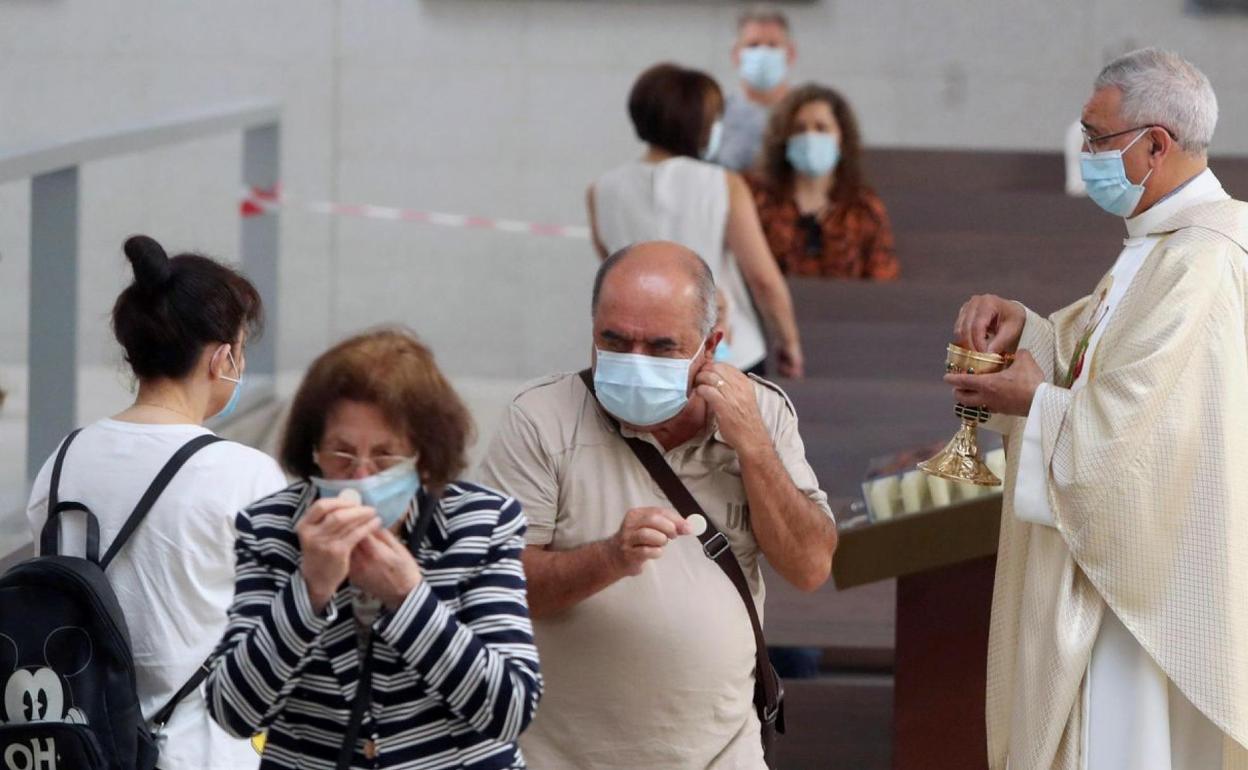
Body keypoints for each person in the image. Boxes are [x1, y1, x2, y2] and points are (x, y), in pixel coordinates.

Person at [946, 49, 1248, 769]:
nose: (1084, 153)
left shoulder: (1203, 257)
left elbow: (1138, 434)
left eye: (1095, 137)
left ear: (1155, 145)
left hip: (1143, 588)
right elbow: (1106, 363)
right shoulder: (1160, 244)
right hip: (1131, 567)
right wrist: (1031, 328)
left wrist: (1035, 402)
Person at [479, 241, 837, 769]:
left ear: (710, 346)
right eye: (614, 341)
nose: (633, 362)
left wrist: (754, 446)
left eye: (662, 347)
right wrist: (609, 559)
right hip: (563, 757)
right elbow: (498, 588)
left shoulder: (761, 412)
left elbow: (809, 566)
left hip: (722, 754)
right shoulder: (542, 419)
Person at [205, 329, 542, 769]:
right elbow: (235, 711)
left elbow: (510, 707)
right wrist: (308, 592)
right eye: (342, 453)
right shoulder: (273, 529)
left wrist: (409, 599)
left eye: (385, 457)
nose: (361, 475)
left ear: (421, 457)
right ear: (314, 453)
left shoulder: (479, 523)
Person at [25, 235, 286, 770]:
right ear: (222, 357)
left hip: (81, 747)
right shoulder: (245, 475)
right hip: (202, 752)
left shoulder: (62, 462)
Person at [588, 62, 805, 379]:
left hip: (640, 358)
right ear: (698, 122)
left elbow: (614, 274)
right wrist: (790, 343)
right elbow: (763, 279)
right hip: (727, 350)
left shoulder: (601, 190)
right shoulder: (724, 184)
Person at [750, 83, 900, 280]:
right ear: (783, 138)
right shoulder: (758, 201)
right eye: (799, 129)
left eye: (821, 128)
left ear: (841, 138)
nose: (810, 136)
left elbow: (883, 279)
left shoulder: (863, 208)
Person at [717, 5, 797, 172]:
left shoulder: (807, 114)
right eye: (753, 45)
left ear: (790, 54)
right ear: (736, 54)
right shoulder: (717, 114)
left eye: (772, 45)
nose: (762, 52)